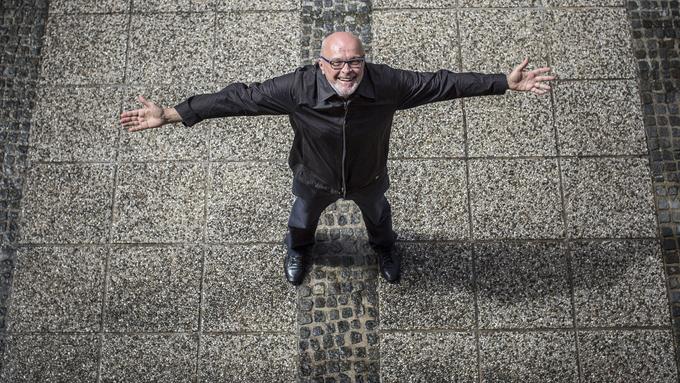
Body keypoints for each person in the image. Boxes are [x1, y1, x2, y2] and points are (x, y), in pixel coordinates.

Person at [120, 32, 555, 286]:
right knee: (301, 218)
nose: (347, 70)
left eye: (355, 62)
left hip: (368, 174)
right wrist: (173, 114)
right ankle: (299, 251)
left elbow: (441, 83)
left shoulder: (386, 83)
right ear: (321, 63)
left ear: (364, 61)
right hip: (314, 175)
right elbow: (240, 98)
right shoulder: (297, 88)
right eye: (338, 63)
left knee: (379, 217)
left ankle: (385, 250)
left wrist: (503, 82)